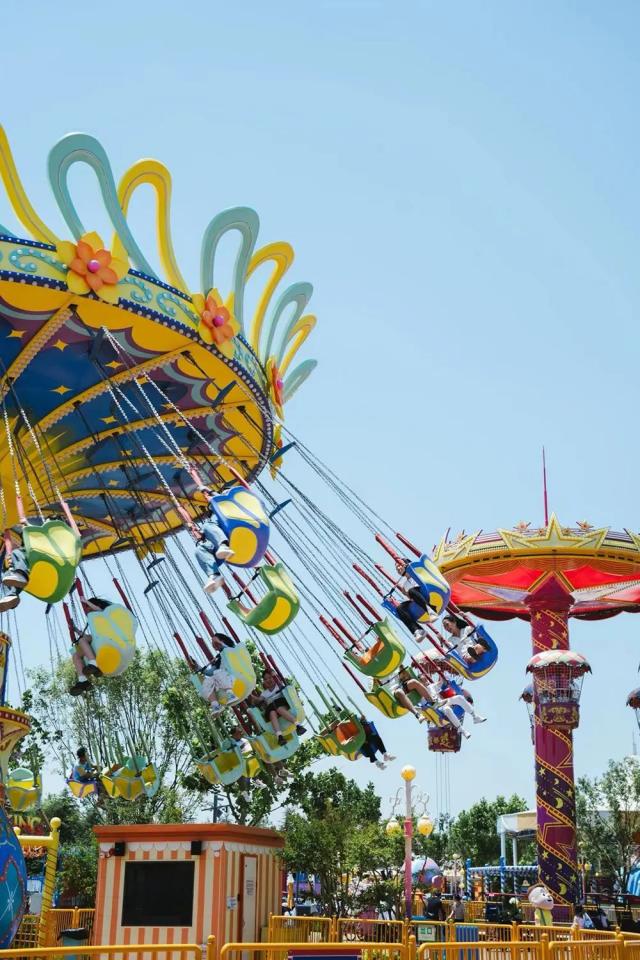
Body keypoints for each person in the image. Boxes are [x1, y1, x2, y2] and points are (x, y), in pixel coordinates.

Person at [250, 671, 306, 745]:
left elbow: (280, 680)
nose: (268, 680)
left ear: (273, 678)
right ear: (264, 682)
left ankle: (298, 725)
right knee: (272, 713)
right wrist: (252, 696)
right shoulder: (264, 693)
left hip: (281, 704)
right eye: (266, 679)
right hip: (271, 708)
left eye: (270, 678)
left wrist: (274, 674)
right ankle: (279, 736)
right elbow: (259, 700)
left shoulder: (278, 685)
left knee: (278, 708)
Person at [68, 597, 110, 696]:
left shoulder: (104, 612)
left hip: (106, 637)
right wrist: (75, 629)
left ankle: (93, 662)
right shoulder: (93, 618)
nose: (88, 610)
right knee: (76, 655)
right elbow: (86, 636)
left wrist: (86, 601)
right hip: (96, 638)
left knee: (82, 640)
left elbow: (99, 609)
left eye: (89, 608)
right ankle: (83, 680)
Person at [419, 678, 486, 739]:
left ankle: (475, 716)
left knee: (459, 697)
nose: (427, 682)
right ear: (421, 683)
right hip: (437, 708)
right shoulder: (421, 696)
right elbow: (424, 706)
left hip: (442, 702)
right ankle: (462, 730)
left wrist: (444, 678)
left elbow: (441, 682)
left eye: (426, 680)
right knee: (447, 709)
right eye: (424, 681)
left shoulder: (432, 686)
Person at [194, 500, 234, 594]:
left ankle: (224, 545)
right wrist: (200, 534)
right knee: (200, 549)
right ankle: (215, 575)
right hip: (222, 542)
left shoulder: (219, 514)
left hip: (233, 532)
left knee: (207, 525)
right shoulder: (211, 523)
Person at [391, 558, 437, 640]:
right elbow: (411, 599)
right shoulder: (404, 586)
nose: (398, 568)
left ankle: (431, 610)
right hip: (417, 598)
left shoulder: (418, 573)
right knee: (399, 608)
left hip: (427, 593)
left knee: (411, 591)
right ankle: (417, 630)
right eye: (396, 568)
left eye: (399, 565)